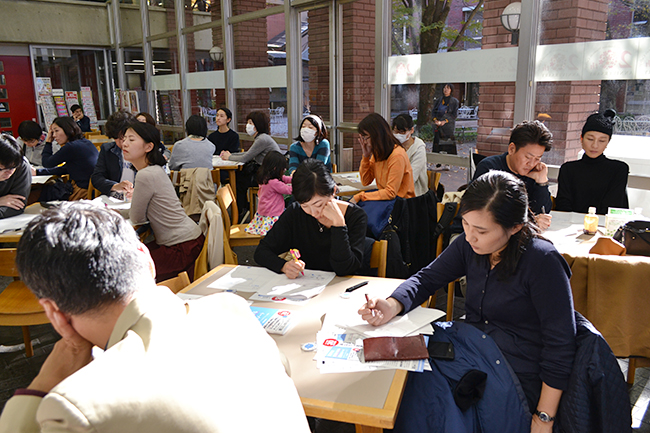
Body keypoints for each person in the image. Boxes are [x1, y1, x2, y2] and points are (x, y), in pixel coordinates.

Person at [0, 202, 310, 433]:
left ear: (55, 313)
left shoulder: (77, 406)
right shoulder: (232, 311)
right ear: (147, 260)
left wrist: (44, 383)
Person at [359, 171, 576, 432]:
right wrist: (392, 304)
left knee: (433, 402)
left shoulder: (542, 261)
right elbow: (427, 279)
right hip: (472, 347)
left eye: (481, 230)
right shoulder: (470, 245)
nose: (470, 237)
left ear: (515, 227)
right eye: (465, 225)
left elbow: (560, 345)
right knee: (406, 380)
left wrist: (544, 418)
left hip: (515, 368)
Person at [255, 159, 367, 278]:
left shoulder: (356, 216)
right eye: (305, 206)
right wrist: (284, 266)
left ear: (333, 191)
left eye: (318, 204)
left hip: (341, 289)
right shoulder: (296, 212)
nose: (313, 213)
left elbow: (345, 269)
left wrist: (339, 224)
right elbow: (262, 252)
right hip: (306, 285)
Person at [123, 121, 205, 282]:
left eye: (131, 140)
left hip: (181, 248)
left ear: (148, 147)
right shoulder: (155, 169)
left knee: (130, 269)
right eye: (124, 138)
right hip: (190, 240)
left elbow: (137, 218)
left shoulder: (145, 175)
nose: (125, 143)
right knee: (133, 258)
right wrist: (114, 213)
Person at [472, 120, 553, 230]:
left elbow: (542, 214)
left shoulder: (533, 172)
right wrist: (530, 222)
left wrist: (541, 181)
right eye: (528, 157)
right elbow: (485, 214)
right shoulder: (490, 169)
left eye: (537, 159)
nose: (532, 163)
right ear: (511, 149)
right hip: (474, 235)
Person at [556, 110, 629, 214]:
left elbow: (613, 206)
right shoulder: (568, 169)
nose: (595, 145)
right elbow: (563, 206)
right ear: (581, 138)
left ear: (608, 142)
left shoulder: (619, 169)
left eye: (602, 141)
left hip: (604, 226)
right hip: (571, 225)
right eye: (590, 139)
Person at [221, 111, 281, 222]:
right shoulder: (261, 138)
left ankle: (241, 210)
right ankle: (243, 207)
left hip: (268, 176)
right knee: (239, 177)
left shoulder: (262, 139)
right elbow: (248, 153)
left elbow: (245, 157)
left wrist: (229, 157)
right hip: (266, 172)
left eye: (250, 123)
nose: (248, 126)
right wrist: (231, 155)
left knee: (238, 180)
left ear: (257, 124)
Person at [351, 113, 414, 203]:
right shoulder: (378, 154)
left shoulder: (397, 155)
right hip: (387, 203)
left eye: (365, 138)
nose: (364, 142)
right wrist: (365, 156)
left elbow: (390, 193)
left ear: (376, 135)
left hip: (401, 206)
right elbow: (366, 181)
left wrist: (361, 196)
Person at [35, 116, 98, 201]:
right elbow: (68, 168)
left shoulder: (70, 147)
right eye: (52, 132)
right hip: (92, 191)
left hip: (81, 193)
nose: (54, 136)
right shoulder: (86, 142)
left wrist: (48, 141)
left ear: (68, 129)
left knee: (41, 191)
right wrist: (38, 172)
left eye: (56, 131)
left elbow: (47, 163)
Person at [90, 109, 136, 198]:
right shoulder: (108, 150)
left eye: (124, 138)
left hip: (138, 196)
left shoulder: (142, 150)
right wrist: (114, 186)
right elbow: (96, 177)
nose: (122, 143)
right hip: (114, 197)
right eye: (116, 138)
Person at [245, 151, 292, 236]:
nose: (284, 170)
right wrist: (300, 183)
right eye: (283, 169)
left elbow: (284, 178)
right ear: (275, 169)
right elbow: (289, 190)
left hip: (264, 213)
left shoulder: (264, 178)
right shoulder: (274, 183)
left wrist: (294, 179)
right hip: (273, 214)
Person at [392, 113, 427, 196]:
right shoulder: (393, 146)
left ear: (412, 130)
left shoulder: (418, 148)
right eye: (395, 131)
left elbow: (412, 177)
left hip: (415, 194)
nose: (398, 135)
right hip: (394, 189)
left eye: (402, 132)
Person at [0, 134, 32, 218]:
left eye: (13, 168)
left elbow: (17, 206)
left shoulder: (21, 165)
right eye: (2, 169)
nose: (9, 172)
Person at [432, 83, 459, 152]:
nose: (446, 90)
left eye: (448, 88)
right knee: (437, 146)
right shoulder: (438, 100)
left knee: (449, 147)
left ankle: (449, 161)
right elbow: (433, 112)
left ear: (451, 90)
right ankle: (438, 161)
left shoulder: (455, 102)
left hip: (448, 128)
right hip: (438, 127)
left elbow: (454, 115)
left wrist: (445, 121)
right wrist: (435, 120)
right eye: (444, 88)